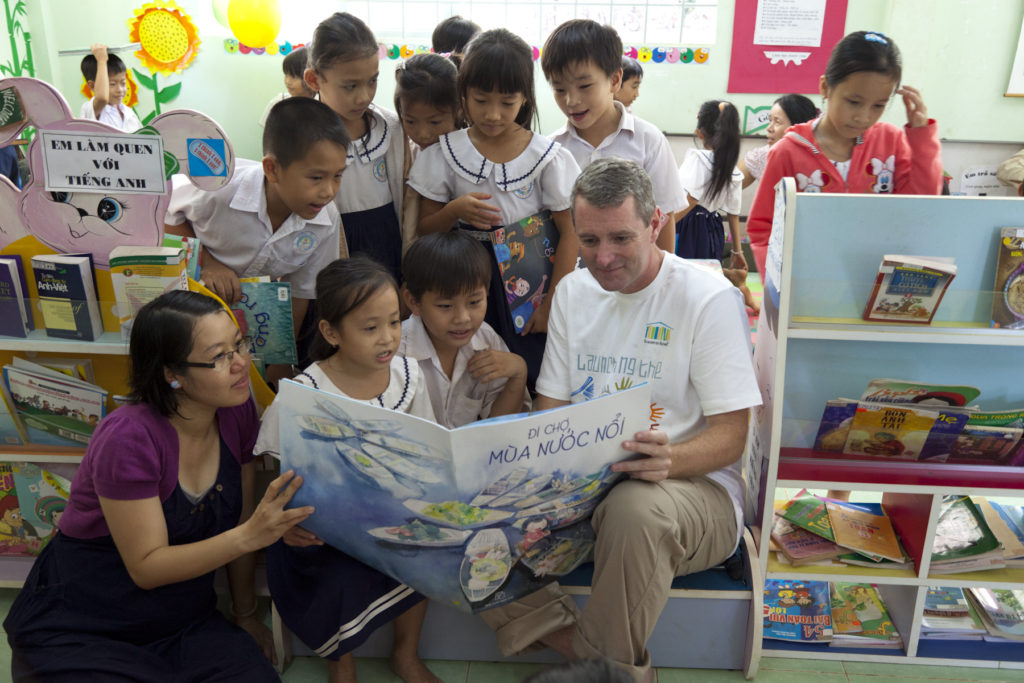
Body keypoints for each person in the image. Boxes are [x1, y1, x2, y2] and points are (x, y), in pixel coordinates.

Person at [479, 158, 762, 682]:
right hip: (589, 486)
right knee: (463, 510)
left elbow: (732, 437)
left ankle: (592, 667)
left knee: (635, 508)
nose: (603, 258)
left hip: (693, 490)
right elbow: (553, 412)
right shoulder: (573, 291)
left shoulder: (706, 298)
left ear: (656, 223)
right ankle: (600, 662)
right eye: (588, 240)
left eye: (621, 239)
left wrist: (670, 459)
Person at [3, 290, 313, 681]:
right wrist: (254, 534)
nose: (240, 364)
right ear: (173, 374)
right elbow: (147, 567)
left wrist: (246, 615)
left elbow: (242, 520)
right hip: (85, 622)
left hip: (181, 620)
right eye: (219, 356)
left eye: (239, 345)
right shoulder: (128, 437)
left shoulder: (236, 412)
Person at [254, 257, 439, 683]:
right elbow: (277, 480)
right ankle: (343, 664)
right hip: (320, 533)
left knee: (426, 546)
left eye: (394, 322)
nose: (388, 338)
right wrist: (284, 526)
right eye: (370, 328)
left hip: (391, 516)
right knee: (332, 569)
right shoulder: (303, 395)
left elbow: (427, 450)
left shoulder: (409, 376)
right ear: (331, 332)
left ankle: (406, 655)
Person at [408, 28, 581, 389]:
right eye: (481, 99)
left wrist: (550, 304)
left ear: (525, 98)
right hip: (462, 284)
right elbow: (426, 230)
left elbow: (571, 233)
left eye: (507, 101)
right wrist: (454, 210)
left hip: (527, 285)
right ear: (464, 94)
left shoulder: (546, 158)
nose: (493, 114)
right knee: (470, 372)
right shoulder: (445, 153)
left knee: (529, 369)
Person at [165, 97, 347, 377]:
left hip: (255, 317)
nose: (329, 191)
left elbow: (300, 291)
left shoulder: (325, 219)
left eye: (338, 176)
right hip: (193, 305)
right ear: (272, 169)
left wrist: (280, 357)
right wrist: (207, 262)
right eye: (316, 178)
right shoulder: (218, 190)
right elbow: (166, 217)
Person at [746, 31, 942, 278]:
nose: (864, 116)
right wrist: (779, 287)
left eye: (878, 105)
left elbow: (920, 206)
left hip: (873, 286)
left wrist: (922, 138)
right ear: (825, 87)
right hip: (804, 290)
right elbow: (763, 228)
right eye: (853, 102)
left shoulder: (891, 141)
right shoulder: (788, 151)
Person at [542, 20, 686, 253]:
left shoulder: (648, 141)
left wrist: (662, 284)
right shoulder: (551, 149)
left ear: (615, 80)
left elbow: (665, 217)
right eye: (559, 89)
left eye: (585, 86)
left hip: (633, 278)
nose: (571, 100)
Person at [304, 12, 409, 286]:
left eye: (372, 81)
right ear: (314, 80)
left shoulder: (391, 128)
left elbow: (407, 200)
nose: (363, 96)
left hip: (388, 248)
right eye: (350, 86)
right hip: (330, 254)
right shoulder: (301, 137)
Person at [399, 231, 530, 428]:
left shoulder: (487, 340)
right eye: (445, 306)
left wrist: (519, 373)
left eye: (474, 302)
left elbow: (500, 426)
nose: (462, 318)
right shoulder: (396, 352)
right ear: (413, 302)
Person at [394, 52, 462, 247]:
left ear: (459, 109)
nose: (423, 134)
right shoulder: (406, 152)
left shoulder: (465, 154)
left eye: (434, 121)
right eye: (410, 121)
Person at [675, 99, 746, 268]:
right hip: (713, 228)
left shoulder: (698, 159)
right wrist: (737, 251)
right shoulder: (730, 167)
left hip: (688, 226)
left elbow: (691, 200)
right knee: (707, 274)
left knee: (684, 274)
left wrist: (662, 226)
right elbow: (733, 213)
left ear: (699, 133)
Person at [738, 94, 817, 189]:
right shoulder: (761, 156)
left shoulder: (822, 157)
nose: (769, 128)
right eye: (770, 120)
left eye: (777, 122)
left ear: (798, 126)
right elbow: (726, 189)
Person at [78, 44, 140, 131]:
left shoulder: (129, 113)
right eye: (112, 84)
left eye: (123, 83)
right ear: (92, 85)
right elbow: (102, 98)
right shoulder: (90, 109)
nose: (120, 90)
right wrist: (101, 60)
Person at [258, 46, 315, 127]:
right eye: (286, 75)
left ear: (310, 77)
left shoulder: (321, 106)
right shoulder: (278, 103)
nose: (287, 81)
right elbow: (268, 137)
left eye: (294, 77)